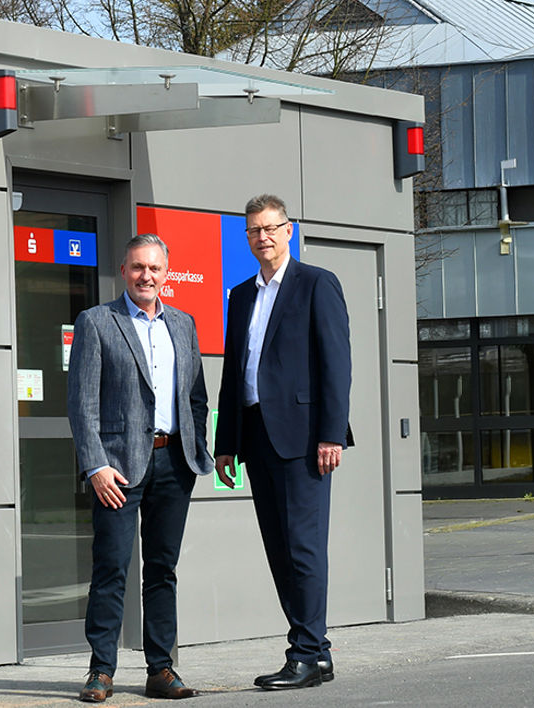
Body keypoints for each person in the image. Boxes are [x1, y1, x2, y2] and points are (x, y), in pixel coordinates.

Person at [214, 194, 352, 691]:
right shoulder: (240, 295)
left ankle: (306, 655)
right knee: (278, 549)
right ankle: (316, 648)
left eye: (270, 228)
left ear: (288, 230)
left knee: (303, 549)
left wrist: (331, 434)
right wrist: (225, 441)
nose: (262, 237)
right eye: (253, 230)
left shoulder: (316, 284)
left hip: (304, 439)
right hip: (255, 437)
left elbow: (337, 365)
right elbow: (234, 373)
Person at [67, 233, 213, 702]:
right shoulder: (96, 322)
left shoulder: (185, 325)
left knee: (162, 570)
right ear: (123, 271)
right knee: (111, 567)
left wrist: (198, 450)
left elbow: (196, 397)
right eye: (136, 268)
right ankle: (101, 670)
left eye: (153, 268)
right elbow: (81, 403)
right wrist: (95, 465)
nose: (145, 276)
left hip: (174, 462)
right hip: (118, 469)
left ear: (165, 272)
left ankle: (161, 669)